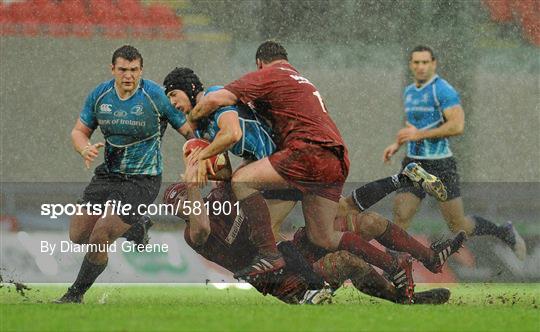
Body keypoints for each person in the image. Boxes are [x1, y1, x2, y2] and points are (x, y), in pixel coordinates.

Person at [187, 41, 418, 301]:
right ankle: (394, 264)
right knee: (324, 236)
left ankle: (271, 258)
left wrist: (193, 122)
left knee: (243, 181)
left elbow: (219, 99)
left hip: (307, 151)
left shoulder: (270, 74)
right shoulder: (303, 81)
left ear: (259, 63)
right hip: (336, 155)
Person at [165, 150, 455, 305]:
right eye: (177, 204)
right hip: (280, 276)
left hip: (290, 250)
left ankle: (421, 248)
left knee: (362, 219)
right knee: (346, 260)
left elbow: (231, 167)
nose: (183, 205)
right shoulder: (194, 234)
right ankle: (400, 294)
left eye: (183, 197)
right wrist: (190, 188)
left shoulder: (225, 196)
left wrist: (208, 154)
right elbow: (201, 226)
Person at [55, 45, 192, 303]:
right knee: (78, 235)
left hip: (143, 179)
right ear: (112, 70)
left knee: (100, 237)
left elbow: (188, 131)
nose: (128, 75)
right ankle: (137, 227)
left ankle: (75, 294)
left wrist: (200, 157)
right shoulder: (100, 95)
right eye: (122, 70)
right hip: (108, 174)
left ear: (141, 70)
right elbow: (78, 131)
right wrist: (83, 147)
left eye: (133, 70)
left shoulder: (155, 96)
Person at [382, 45, 526, 260]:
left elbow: (457, 126)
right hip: (414, 163)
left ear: (433, 64)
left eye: (425, 62)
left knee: (458, 226)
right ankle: (393, 270)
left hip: (441, 164)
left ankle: (503, 231)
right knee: (400, 215)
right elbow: (413, 126)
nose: (420, 67)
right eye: (416, 62)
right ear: (411, 65)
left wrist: (418, 135)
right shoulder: (410, 91)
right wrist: (397, 144)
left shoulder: (443, 90)